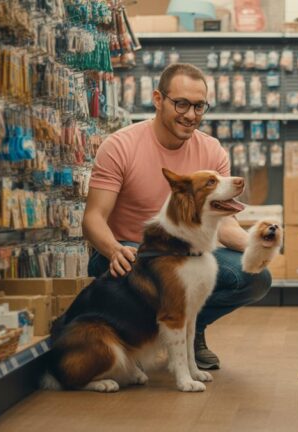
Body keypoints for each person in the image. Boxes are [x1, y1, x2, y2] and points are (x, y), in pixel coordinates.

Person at [83, 63, 271, 370]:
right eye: (181, 103)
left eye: (199, 106)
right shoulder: (120, 146)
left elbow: (224, 225)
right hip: (131, 254)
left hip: (188, 253)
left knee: (255, 277)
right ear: (158, 99)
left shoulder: (211, 151)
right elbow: (93, 218)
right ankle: (140, 337)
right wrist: (114, 249)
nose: (191, 114)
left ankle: (186, 332)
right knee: (131, 265)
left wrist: (255, 246)